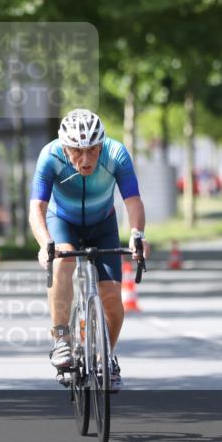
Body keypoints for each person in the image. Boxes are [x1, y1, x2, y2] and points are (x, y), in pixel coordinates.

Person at [28, 109, 149, 391]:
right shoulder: (50, 155)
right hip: (63, 223)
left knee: (112, 300)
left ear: (102, 145)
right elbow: (37, 207)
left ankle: (105, 359)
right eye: (77, 151)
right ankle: (61, 339)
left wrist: (136, 234)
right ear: (64, 147)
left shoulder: (117, 154)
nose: (86, 159)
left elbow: (132, 200)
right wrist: (45, 242)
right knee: (63, 260)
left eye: (93, 150)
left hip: (102, 224)